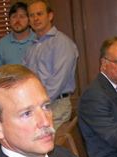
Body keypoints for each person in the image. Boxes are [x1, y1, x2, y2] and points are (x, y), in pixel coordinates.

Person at [22, 0, 78, 129]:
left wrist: (39, 104)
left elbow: (58, 80)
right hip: (36, 107)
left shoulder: (61, 43)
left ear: (50, 16)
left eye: (40, 14)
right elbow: (25, 80)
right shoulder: (30, 49)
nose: (36, 18)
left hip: (56, 105)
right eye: (31, 15)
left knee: (49, 146)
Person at [0, 2, 36, 66]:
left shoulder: (38, 40)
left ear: (29, 20)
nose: (17, 20)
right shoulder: (2, 44)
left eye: (22, 16)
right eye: (14, 16)